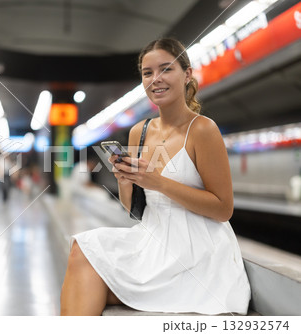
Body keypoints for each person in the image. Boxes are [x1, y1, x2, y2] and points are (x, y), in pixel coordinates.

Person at [60, 38, 251, 316]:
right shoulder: (141, 131)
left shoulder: (202, 130)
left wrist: (158, 182)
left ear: (187, 75)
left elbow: (223, 209)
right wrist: (126, 181)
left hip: (196, 251)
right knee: (83, 247)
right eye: (147, 73)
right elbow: (134, 209)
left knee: (87, 281)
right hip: (151, 241)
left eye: (166, 69)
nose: (155, 79)